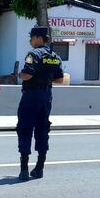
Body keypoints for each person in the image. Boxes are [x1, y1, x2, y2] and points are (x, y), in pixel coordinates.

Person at [16, 26, 64, 181]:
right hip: (46, 96)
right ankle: (39, 167)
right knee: (42, 130)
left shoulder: (33, 54)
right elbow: (60, 79)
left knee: (25, 129)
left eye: (31, 38)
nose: (30, 41)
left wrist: (19, 75)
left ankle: (24, 169)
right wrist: (45, 78)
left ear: (38, 38)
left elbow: (27, 75)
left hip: (31, 96)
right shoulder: (55, 57)